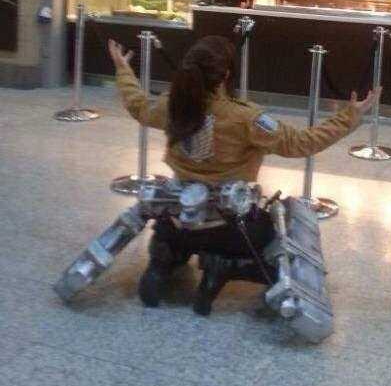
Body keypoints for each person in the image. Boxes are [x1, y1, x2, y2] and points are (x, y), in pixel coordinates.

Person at [107, 35, 376, 313]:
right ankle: (221, 267)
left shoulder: (171, 105)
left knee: (168, 233)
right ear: (225, 74)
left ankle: (163, 261)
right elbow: (301, 142)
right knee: (275, 238)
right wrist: (349, 116)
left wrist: (123, 69)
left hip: (176, 222)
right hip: (230, 229)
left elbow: (138, 105)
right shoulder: (246, 118)